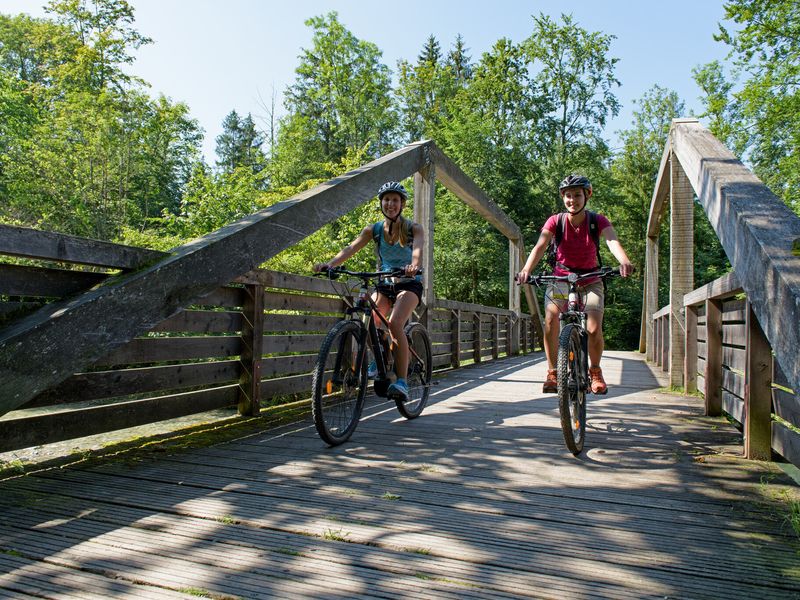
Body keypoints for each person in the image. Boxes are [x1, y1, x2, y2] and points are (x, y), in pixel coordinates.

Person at [516, 174, 634, 395]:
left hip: (591, 279)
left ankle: (595, 371)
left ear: (586, 195)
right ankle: (552, 372)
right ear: (563, 198)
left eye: (577, 195)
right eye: (568, 196)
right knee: (551, 319)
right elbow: (540, 246)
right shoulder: (555, 221)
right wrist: (526, 270)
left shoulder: (597, 220)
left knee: (593, 327)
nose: (572, 200)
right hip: (561, 278)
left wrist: (624, 261)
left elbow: (611, 241)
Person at [313, 181, 425, 402]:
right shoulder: (373, 230)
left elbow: (418, 250)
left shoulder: (414, 228)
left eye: (395, 200)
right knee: (370, 318)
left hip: (408, 283)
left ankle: (401, 381)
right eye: (386, 200)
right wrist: (330, 264)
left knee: (394, 323)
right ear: (381, 203)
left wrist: (413, 266)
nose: (390, 204)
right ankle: (380, 357)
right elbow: (350, 248)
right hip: (384, 282)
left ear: (402, 203)